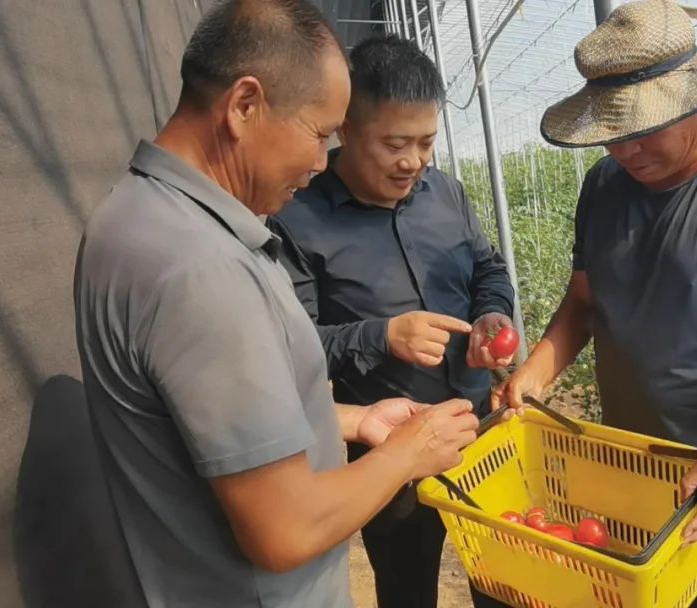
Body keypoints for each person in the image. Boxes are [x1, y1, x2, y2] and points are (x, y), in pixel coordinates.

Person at [72, 3, 479, 607]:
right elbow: (286, 529)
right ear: (243, 105)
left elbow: (210, 418)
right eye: (318, 135)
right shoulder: (198, 268)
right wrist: (405, 455)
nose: (320, 164)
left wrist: (349, 420)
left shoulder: (140, 219)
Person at [494, 1, 697, 607]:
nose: (625, 152)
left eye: (643, 131)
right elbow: (584, 301)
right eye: (613, 134)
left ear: (696, 102)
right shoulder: (602, 187)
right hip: (627, 467)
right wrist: (536, 372)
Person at [268, 34, 514, 608]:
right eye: (395, 144)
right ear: (346, 130)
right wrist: (382, 337)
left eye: (426, 142)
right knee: (406, 584)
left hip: (481, 426)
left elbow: (487, 268)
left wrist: (491, 314)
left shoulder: (445, 193)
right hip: (391, 446)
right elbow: (295, 349)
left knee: (503, 573)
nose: (414, 161)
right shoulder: (297, 218)